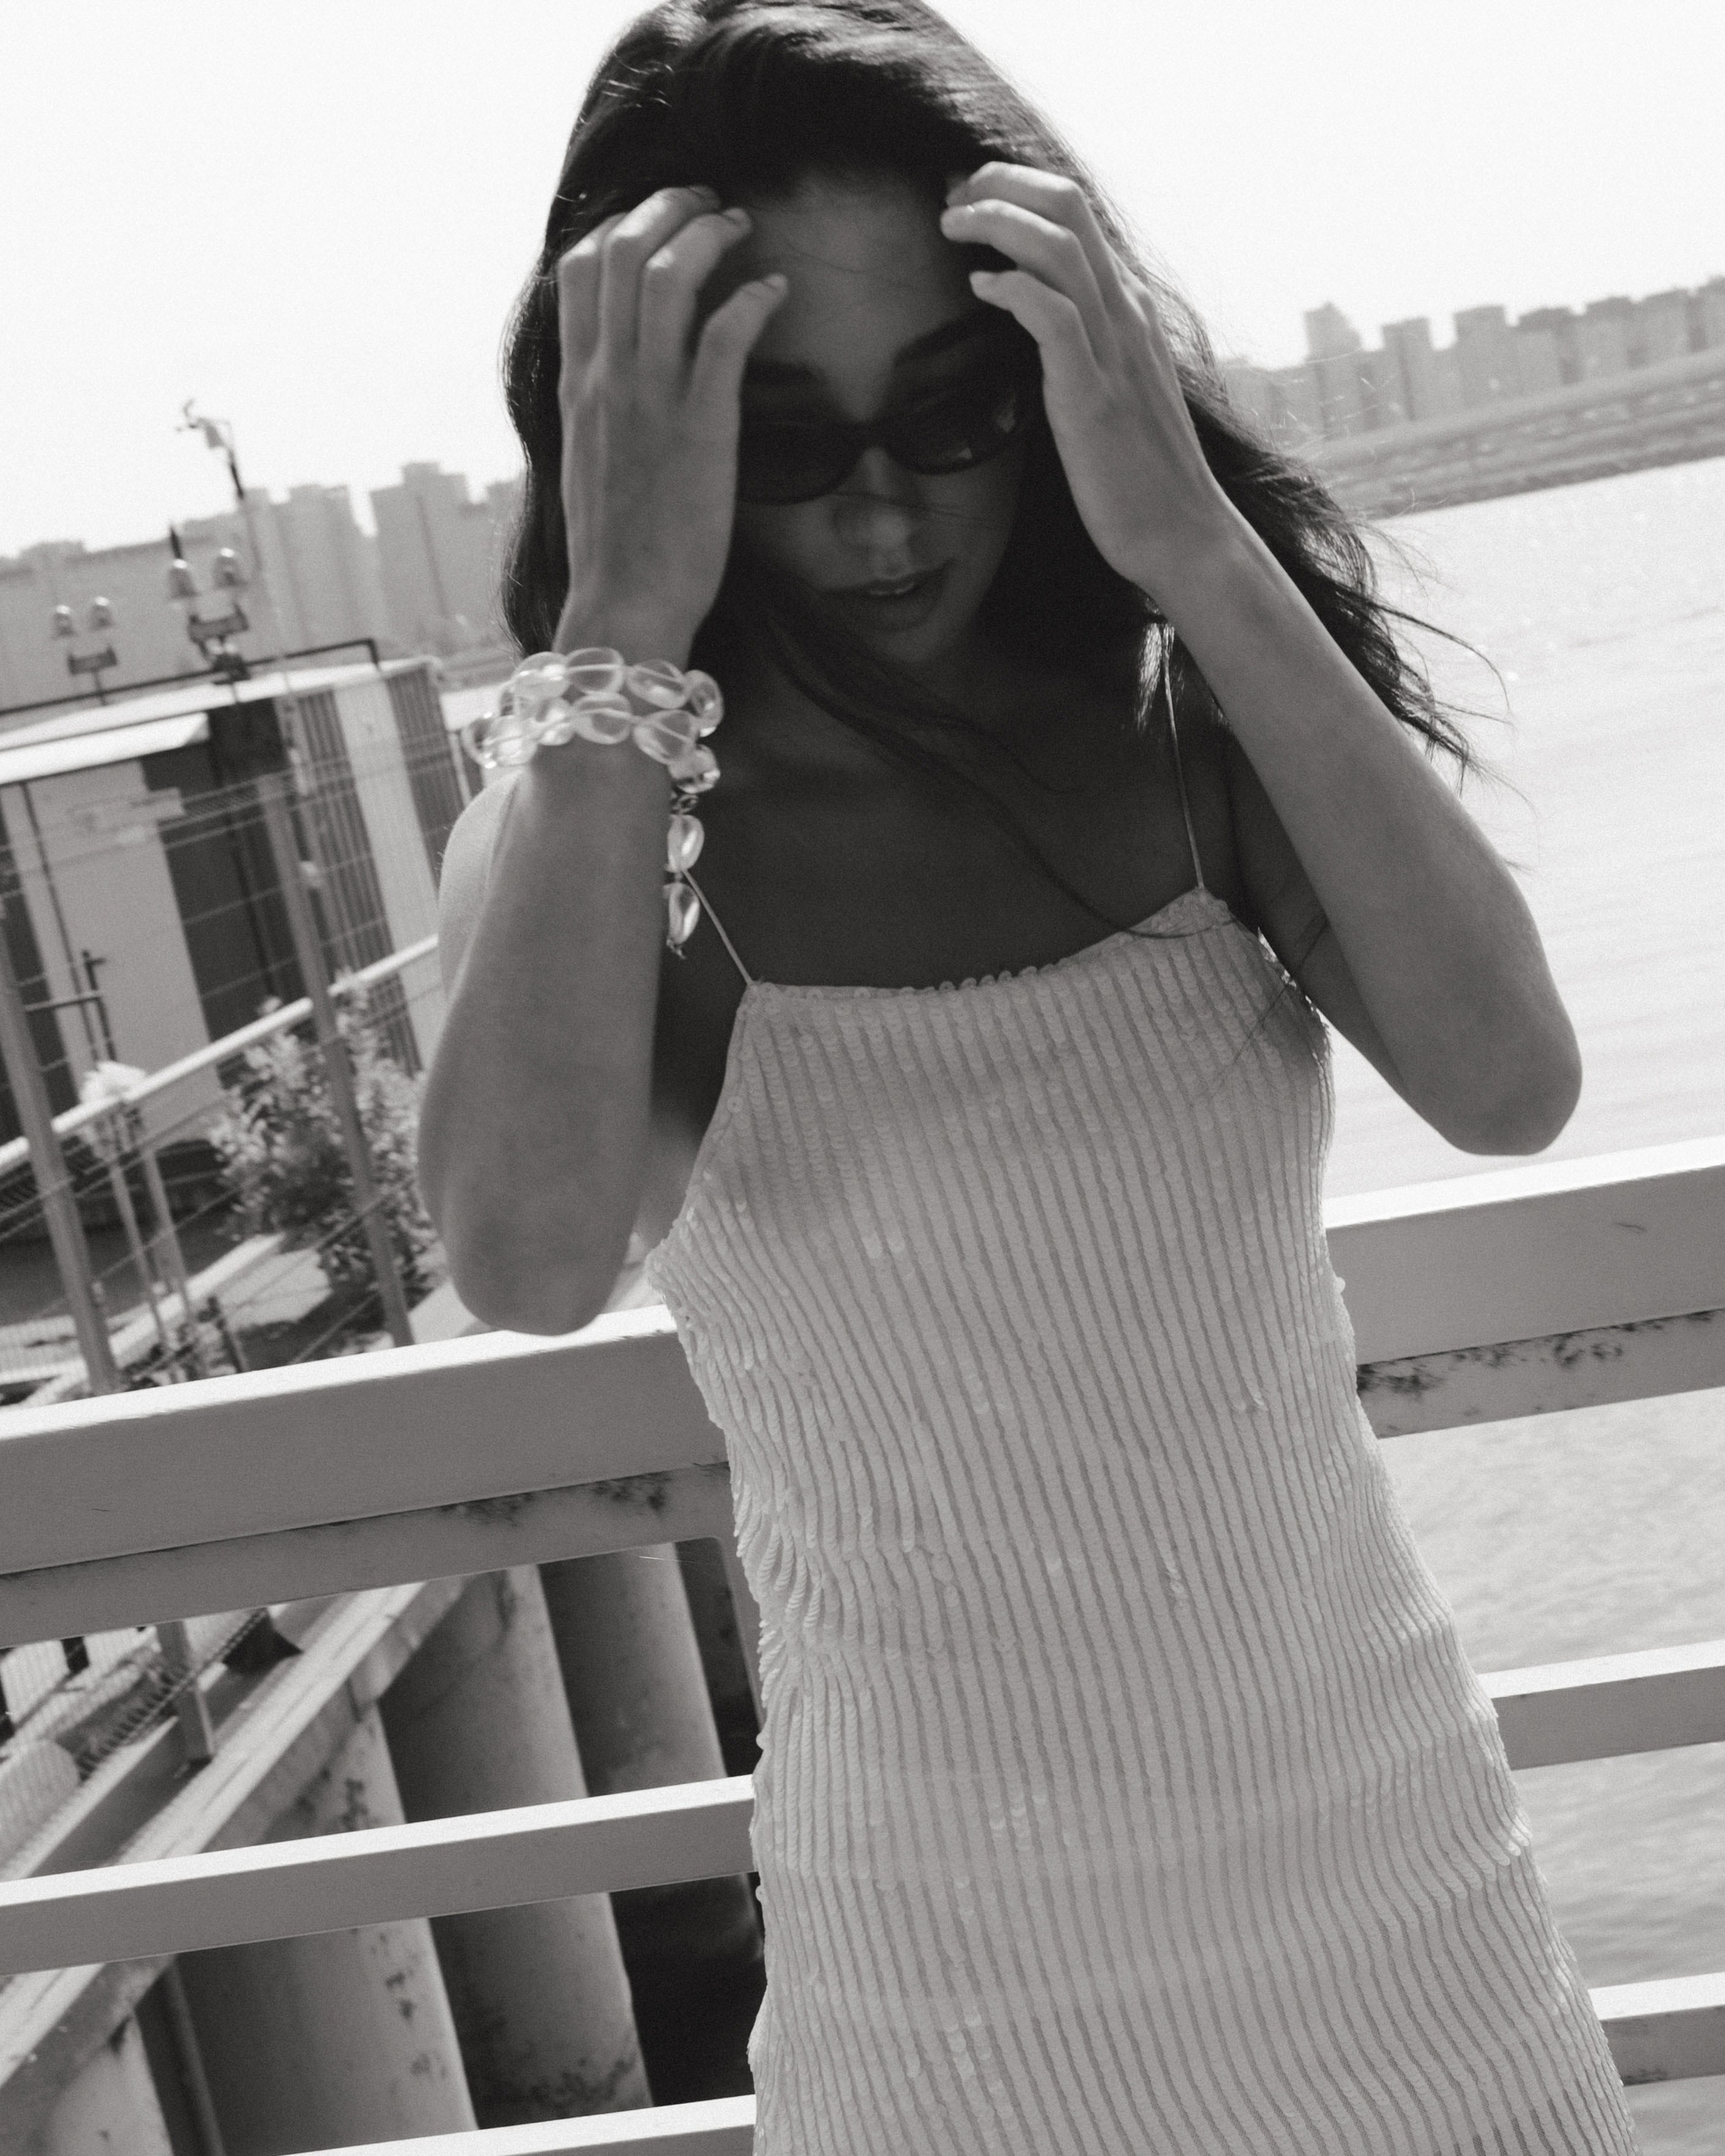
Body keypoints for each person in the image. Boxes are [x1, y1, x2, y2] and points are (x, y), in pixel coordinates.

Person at [420, 4, 1641, 2150]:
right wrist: (619, 621)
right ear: (640, 430)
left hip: (1395, 1900)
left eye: (954, 408)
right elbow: (523, 1261)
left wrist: (1197, 547)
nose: (885, 509)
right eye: (782, 438)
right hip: (950, 1986)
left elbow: (1509, 1080)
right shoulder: (608, 827)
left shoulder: (1185, 725)